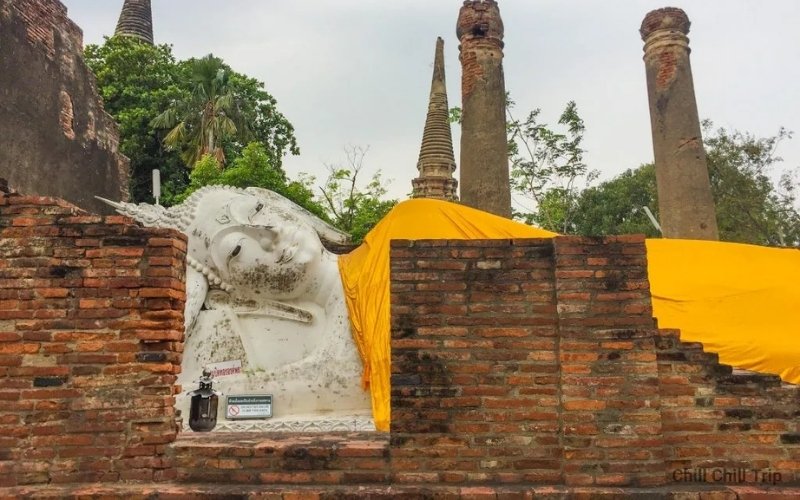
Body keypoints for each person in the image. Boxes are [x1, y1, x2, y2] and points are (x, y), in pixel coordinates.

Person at [101, 186, 372, 431]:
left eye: (257, 209)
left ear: (278, 202)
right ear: (230, 295)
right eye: (236, 249)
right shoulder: (341, 317)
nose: (269, 233)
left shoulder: (384, 258)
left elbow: (332, 378)